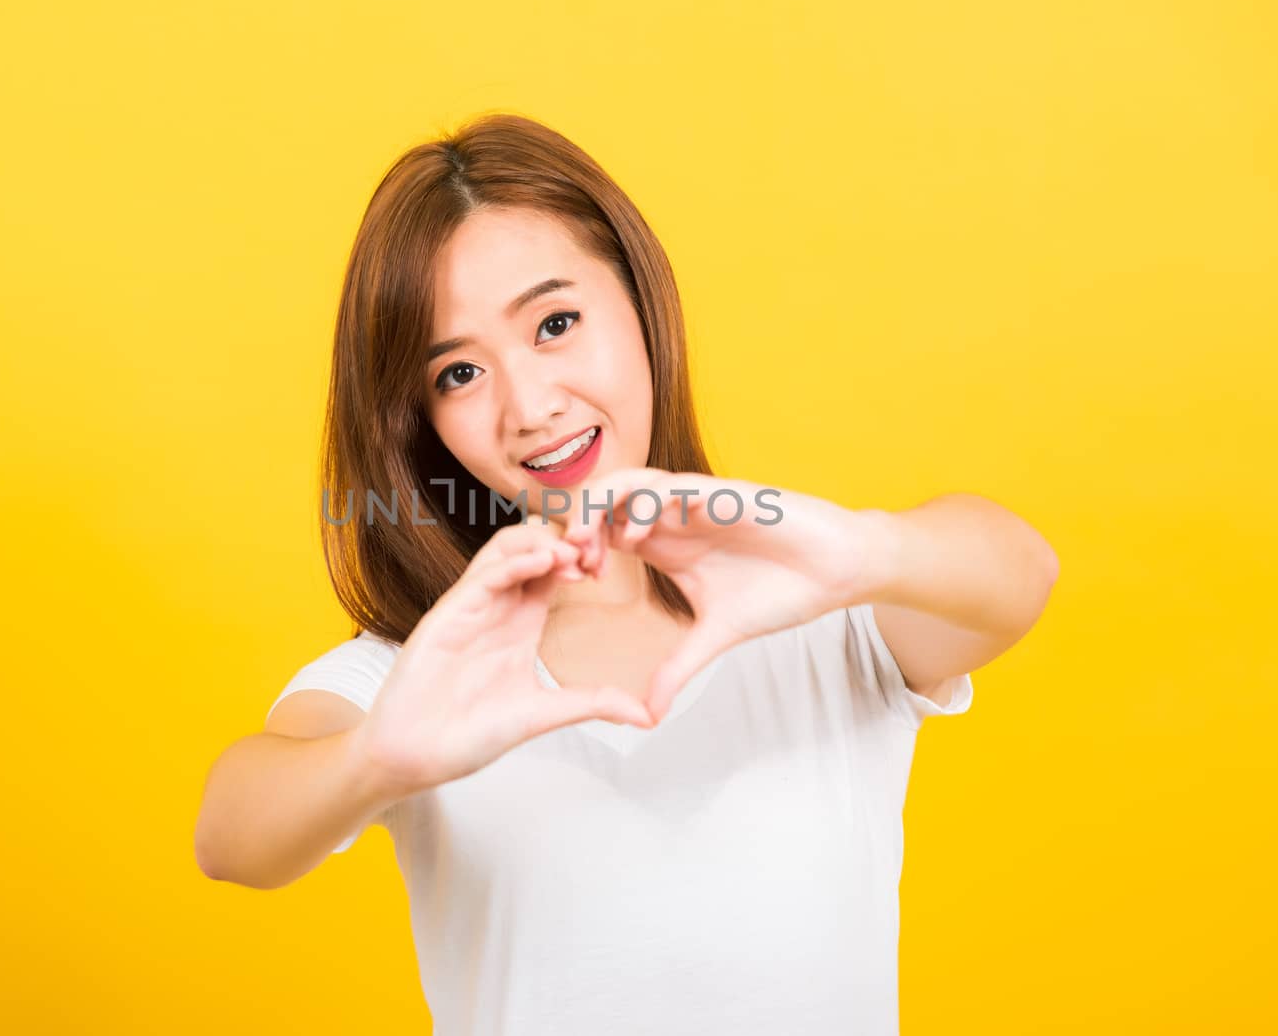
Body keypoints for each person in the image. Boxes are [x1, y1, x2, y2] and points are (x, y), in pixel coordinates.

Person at [194, 112, 1060, 1035]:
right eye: (457, 375)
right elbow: (233, 831)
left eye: (556, 324)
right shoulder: (426, 674)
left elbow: (1018, 573)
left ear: (642, 304)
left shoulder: (814, 604)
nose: (529, 406)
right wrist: (375, 759)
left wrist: (863, 553)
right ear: (422, 423)